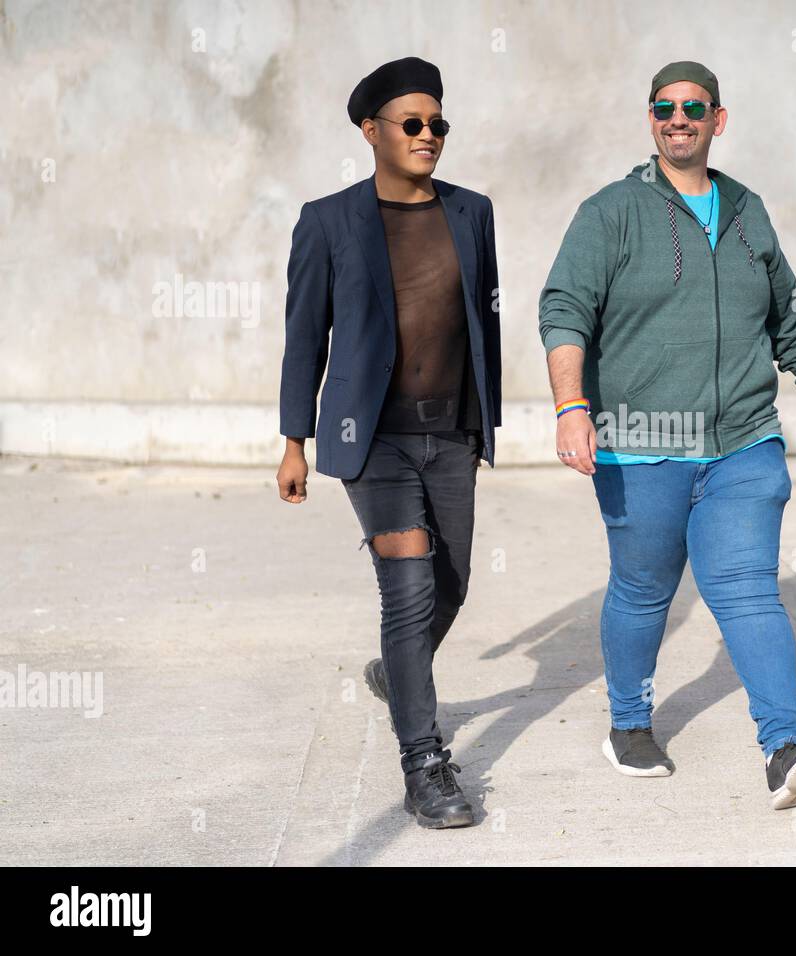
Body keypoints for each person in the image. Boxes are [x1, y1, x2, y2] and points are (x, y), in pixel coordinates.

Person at [537, 60, 796, 811]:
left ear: (718, 119)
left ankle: (784, 748)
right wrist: (571, 407)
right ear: (651, 118)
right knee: (643, 589)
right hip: (642, 439)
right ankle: (629, 723)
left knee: (749, 589)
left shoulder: (749, 209)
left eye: (694, 106)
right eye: (665, 107)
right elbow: (564, 308)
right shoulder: (611, 211)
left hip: (743, 443)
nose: (678, 117)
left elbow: (786, 316)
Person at [276, 56, 501, 829]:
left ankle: (394, 674)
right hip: (368, 438)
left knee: (452, 586)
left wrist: (482, 427)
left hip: (451, 434)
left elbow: (484, 326)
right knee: (406, 594)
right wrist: (294, 439)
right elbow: (304, 336)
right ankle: (424, 763)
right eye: (412, 124)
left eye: (438, 123)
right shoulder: (329, 220)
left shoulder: (472, 213)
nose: (429, 135)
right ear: (369, 131)